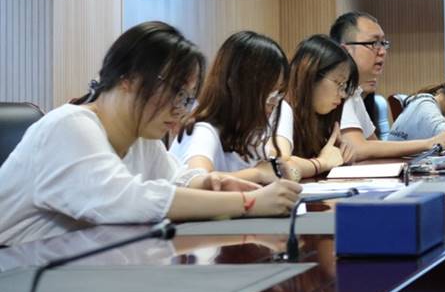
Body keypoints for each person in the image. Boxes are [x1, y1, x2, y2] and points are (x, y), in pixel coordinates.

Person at [0, 21, 301, 246]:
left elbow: (179, 178)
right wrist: (248, 203)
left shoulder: (141, 138)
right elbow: (129, 200)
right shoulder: (69, 126)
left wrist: (213, 183)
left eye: (187, 98)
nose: (180, 110)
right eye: (175, 92)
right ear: (128, 78)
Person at [329, 12, 445, 159]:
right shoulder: (339, 91)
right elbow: (358, 149)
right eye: (374, 43)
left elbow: (374, 145)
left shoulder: (354, 92)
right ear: (345, 51)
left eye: (383, 44)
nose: (382, 52)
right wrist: (430, 143)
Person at [170, 31, 289, 184]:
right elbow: (197, 181)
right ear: (238, 85)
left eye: (279, 93)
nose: (274, 102)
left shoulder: (249, 136)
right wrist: (257, 173)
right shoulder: (203, 131)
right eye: (269, 92)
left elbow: (278, 168)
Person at [272, 34, 359, 180]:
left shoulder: (317, 118)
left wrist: (339, 152)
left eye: (345, 86)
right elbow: (280, 167)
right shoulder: (282, 107)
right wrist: (321, 163)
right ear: (311, 76)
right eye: (339, 83)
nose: (343, 94)